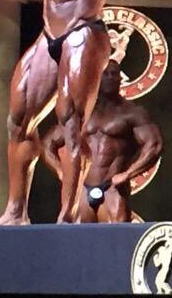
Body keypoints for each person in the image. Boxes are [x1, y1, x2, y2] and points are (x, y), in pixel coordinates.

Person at [0, 0, 158, 224]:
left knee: (70, 121)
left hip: (84, 31)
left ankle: (67, 215)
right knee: (18, 120)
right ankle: (15, 211)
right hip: (49, 34)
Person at [41, 61, 163, 223]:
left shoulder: (132, 113)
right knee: (76, 236)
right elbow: (48, 143)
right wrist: (61, 171)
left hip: (112, 189)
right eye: (105, 74)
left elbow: (154, 145)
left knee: (116, 236)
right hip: (82, 189)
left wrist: (128, 174)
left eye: (114, 74)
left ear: (120, 79)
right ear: (96, 78)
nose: (110, 78)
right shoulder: (80, 114)